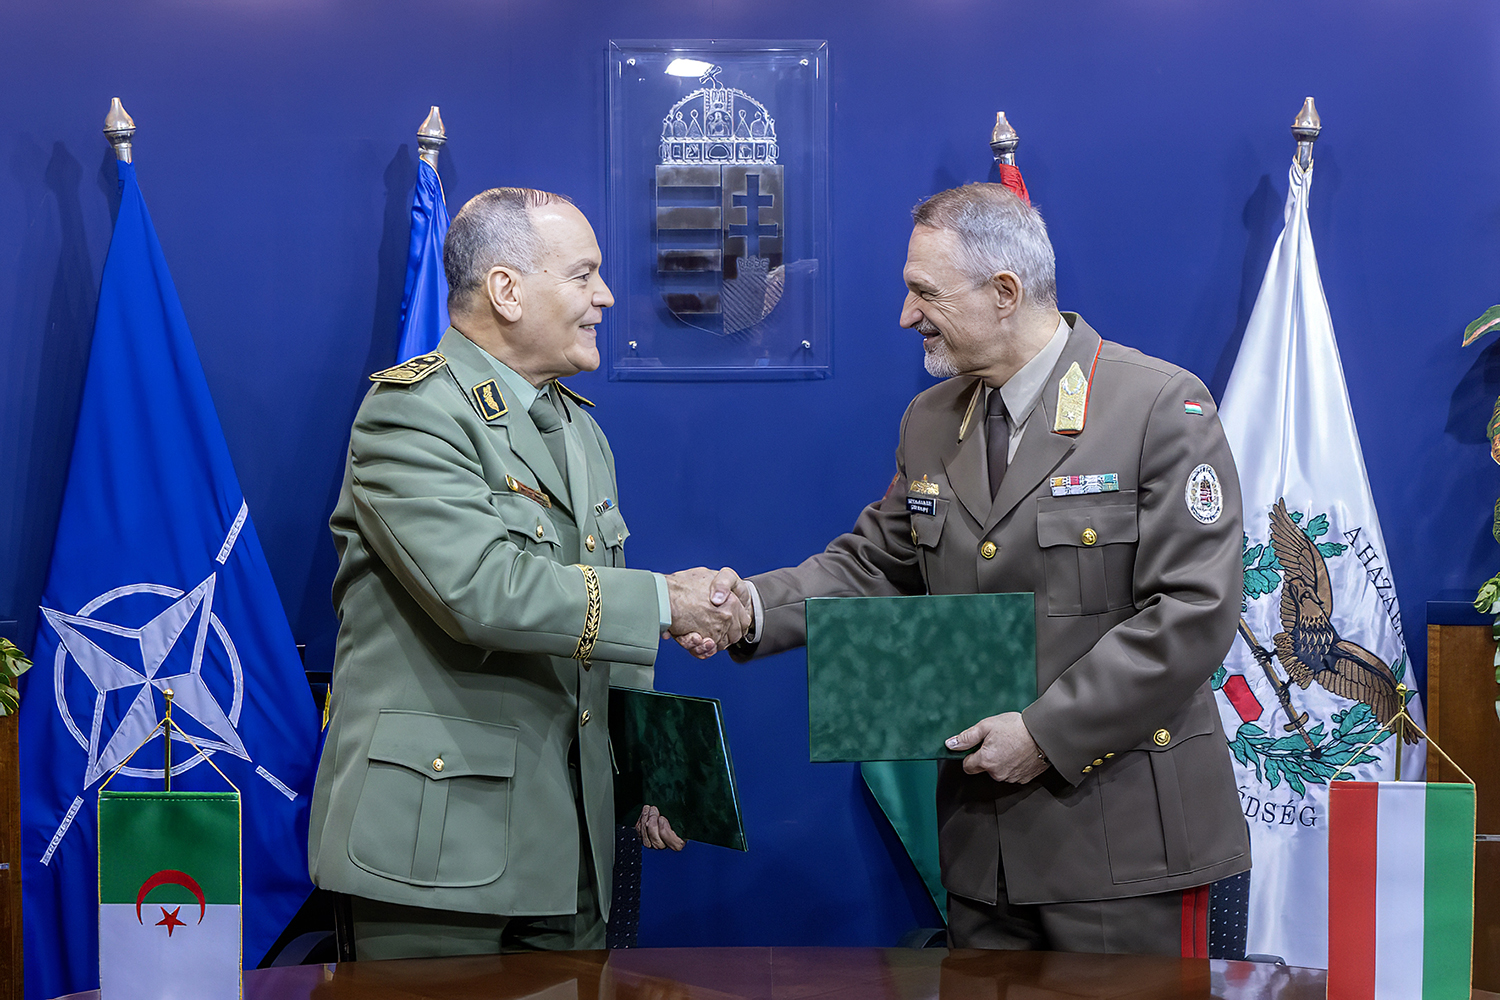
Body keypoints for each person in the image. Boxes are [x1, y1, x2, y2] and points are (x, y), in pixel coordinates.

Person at [695, 183, 1250, 954]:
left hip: (1125, 850)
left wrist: (1046, 732)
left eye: (925, 292)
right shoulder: (930, 421)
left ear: (1004, 292)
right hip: (981, 857)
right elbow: (873, 564)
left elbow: (1193, 613)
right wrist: (748, 607)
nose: (907, 315)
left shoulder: (1158, 407)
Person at [307, 187, 748, 958]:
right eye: (583, 275)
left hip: (573, 840)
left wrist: (648, 770)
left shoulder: (579, 429)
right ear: (507, 290)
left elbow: (596, 624)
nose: (606, 297)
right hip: (437, 846)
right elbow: (482, 592)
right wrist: (666, 602)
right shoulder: (411, 413)